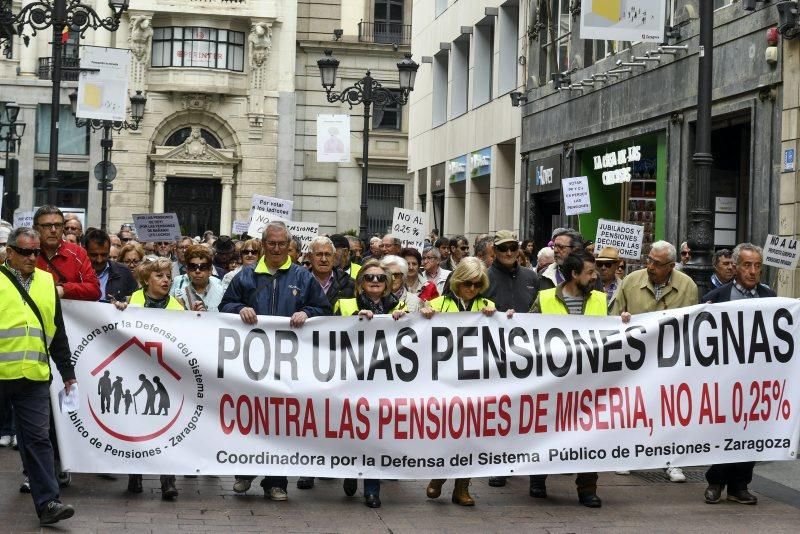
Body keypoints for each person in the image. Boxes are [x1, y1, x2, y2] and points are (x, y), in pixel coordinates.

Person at [221, 221, 331, 501]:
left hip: (287, 363)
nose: (277, 249)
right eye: (272, 243)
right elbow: (224, 307)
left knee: (280, 420)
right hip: (250, 361)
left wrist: (307, 312)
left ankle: (276, 481)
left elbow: (322, 308)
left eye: (283, 244)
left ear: (289, 246)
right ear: (263, 244)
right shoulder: (245, 276)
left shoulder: (303, 277)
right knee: (251, 416)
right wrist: (239, 308)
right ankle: (245, 473)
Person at [0, 227, 76, 525]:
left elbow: (57, 333)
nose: (33, 257)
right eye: (26, 252)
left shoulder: (46, 282)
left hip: (33, 376)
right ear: (9, 253)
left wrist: (67, 372)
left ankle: (49, 504)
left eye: (36, 252)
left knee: (38, 440)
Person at [613, 240, 698, 483]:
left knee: (671, 410)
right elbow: (614, 317)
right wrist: (623, 319)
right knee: (635, 408)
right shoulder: (631, 281)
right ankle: (629, 454)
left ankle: (672, 461)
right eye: (648, 259)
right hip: (637, 360)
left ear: (671, 266)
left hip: (672, 361)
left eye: (656, 263)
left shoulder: (688, 286)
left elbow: (692, 325)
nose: (649, 266)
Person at [420, 257, 502, 507]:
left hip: (475, 381)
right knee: (446, 434)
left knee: (472, 435)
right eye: (468, 283)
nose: (472, 289)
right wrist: (423, 314)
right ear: (458, 281)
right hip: (444, 380)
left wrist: (497, 316)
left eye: (477, 285)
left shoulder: (488, 305)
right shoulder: (437, 304)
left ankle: (462, 487)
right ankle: (439, 476)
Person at [529, 251, 606, 507]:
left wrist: (625, 321)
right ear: (574, 274)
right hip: (552, 382)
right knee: (546, 430)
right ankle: (537, 478)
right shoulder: (545, 298)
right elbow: (526, 331)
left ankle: (587, 488)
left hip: (588, 383)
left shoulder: (602, 300)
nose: (595, 276)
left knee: (590, 434)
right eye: (590, 272)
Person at [702, 243, 774, 505]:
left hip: (757, 380)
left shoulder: (770, 296)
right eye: (747, 265)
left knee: (751, 431)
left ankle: (740, 485)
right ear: (735, 266)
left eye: (757, 266)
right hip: (725, 379)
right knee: (724, 430)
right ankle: (716, 481)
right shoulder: (716, 297)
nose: (753, 271)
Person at [335, 260, 407, 508]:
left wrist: (405, 320)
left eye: (380, 278)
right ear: (360, 283)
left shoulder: (400, 306)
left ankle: (372, 490)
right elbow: (327, 335)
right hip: (351, 381)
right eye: (369, 278)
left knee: (376, 435)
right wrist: (355, 319)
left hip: (384, 382)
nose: (374, 282)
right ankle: (350, 472)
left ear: (387, 284)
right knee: (351, 431)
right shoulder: (345, 305)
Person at [114, 255, 184, 498]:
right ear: (145, 279)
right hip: (136, 373)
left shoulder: (178, 306)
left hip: (165, 376)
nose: (165, 280)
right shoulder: (130, 302)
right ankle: (135, 474)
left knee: (166, 427)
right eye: (159, 275)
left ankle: (168, 479)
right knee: (137, 425)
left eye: (168, 276)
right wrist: (119, 311)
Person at [33, 205, 100, 301]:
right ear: (35, 228)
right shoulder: (25, 252)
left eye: (58, 225)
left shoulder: (77, 253)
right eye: (47, 226)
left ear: (63, 228)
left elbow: (94, 290)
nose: (53, 230)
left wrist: (63, 289)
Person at [485, 230, 539, 315]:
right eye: (503, 248)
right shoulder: (483, 277)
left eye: (513, 248)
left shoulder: (532, 276)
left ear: (518, 249)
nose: (509, 253)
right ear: (494, 250)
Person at [83, 229, 137, 303]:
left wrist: (124, 303)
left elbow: (135, 302)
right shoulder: (75, 273)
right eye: (94, 255)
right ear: (85, 251)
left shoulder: (124, 272)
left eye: (104, 255)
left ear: (109, 251)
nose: (99, 260)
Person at [170, 245, 225, 312]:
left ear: (210, 270)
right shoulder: (178, 284)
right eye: (193, 267)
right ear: (187, 270)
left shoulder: (220, 287)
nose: (197, 271)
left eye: (203, 267)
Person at [595, 246, 623, 312]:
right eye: (600, 264)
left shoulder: (624, 287)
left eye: (608, 264)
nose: (603, 268)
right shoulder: (589, 285)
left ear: (617, 265)